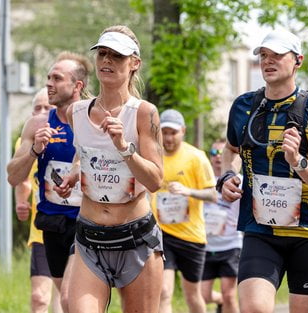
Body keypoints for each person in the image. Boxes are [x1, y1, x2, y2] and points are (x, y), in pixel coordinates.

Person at [219, 29, 308, 313]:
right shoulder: (243, 106)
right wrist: (226, 176)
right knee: (254, 308)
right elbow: (230, 150)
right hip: (261, 229)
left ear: (298, 60)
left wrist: (297, 161)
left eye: (277, 55)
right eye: (263, 55)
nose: (268, 61)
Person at [56, 25, 164, 313]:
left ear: (134, 64)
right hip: (90, 238)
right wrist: (74, 172)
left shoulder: (144, 113)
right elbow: (85, 155)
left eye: (117, 56)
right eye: (102, 53)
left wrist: (124, 146)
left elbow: (155, 180)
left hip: (136, 239)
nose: (107, 60)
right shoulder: (76, 112)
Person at [7, 51, 92, 312]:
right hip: (53, 223)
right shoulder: (36, 125)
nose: (49, 84)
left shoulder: (93, 120)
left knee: (70, 298)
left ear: (77, 86)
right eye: (48, 78)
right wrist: (35, 151)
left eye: (57, 78)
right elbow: (13, 176)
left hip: (87, 221)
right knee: (67, 302)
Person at [151, 108, 217, 313]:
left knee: (192, 295)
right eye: (165, 132)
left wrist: (187, 191)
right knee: (163, 291)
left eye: (173, 132)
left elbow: (213, 195)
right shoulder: (153, 155)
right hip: (162, 233)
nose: (169, 138)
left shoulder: (196, 157)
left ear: (183, 131)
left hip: (191, 236)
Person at [14, 87, 62, 313]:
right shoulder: (26, 139)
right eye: (37, 108)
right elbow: (21, 178)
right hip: (40, 228)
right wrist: (20, 202)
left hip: (69, 223)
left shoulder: (70, 134)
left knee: (65, 298)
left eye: (47, 107)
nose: (42, 112)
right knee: (39, 297)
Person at [201, 139, 242, 313]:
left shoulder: (238, 180)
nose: (217, 158)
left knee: (229, 294)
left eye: (220, 153)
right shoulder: (203, 179)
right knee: (204, 295)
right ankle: (219, 303)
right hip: (207, 245)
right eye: (213, 153)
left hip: (231, 244)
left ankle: (225, 303)